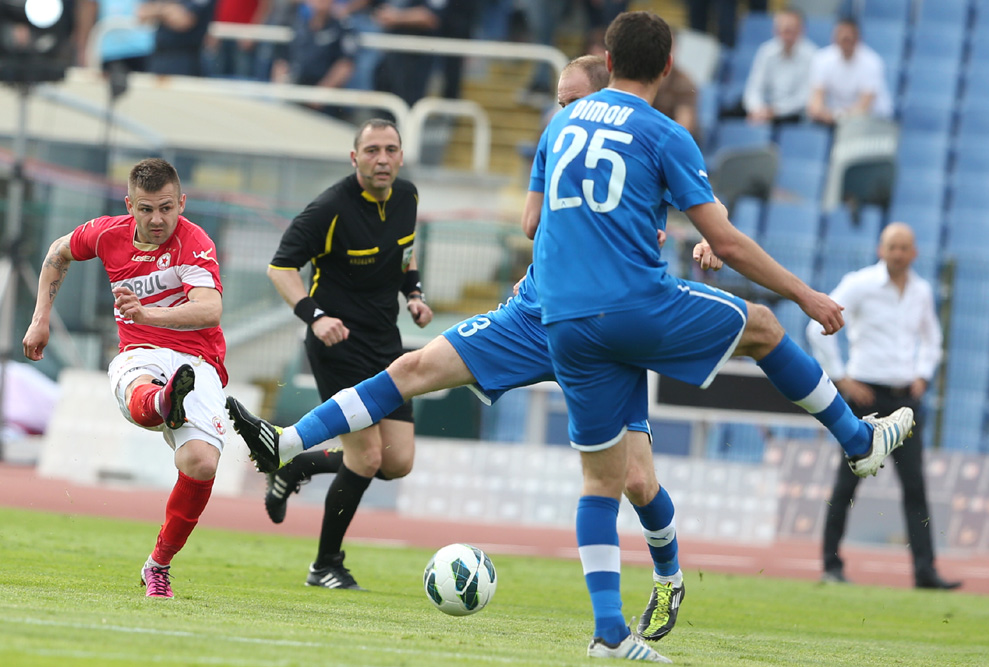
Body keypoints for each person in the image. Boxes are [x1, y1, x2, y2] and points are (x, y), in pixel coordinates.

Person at [227, 55, 724, 643]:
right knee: (408, 378)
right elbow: (534, 225)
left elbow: (697, 210)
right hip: (530, 319)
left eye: (571, 101)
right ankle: (291, 461)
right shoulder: (556, 144)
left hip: (608, 332)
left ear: (604, 98)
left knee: (635, 482)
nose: (561, 112)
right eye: (559, 102)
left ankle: (668, 578)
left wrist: (704, 242)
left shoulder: (644, 142)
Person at [523, 11, 913, 661]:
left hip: (563, 319)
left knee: (603, 481)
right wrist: (806, 295)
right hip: (634, 305)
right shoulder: (664, 131)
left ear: (607, 61)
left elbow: (535, 222)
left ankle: (610, 631)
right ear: (669, 66)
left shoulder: (559, 124)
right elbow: (726, 242)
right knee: (763, 326)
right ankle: (857, 438)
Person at [238, 118, 434, 591]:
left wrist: (414, 293)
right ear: (354, 158)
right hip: (338, 345)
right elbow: (280, 267)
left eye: (390, 149)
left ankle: (300, 464)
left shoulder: (407, 197)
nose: (382, 159)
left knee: (397, 462)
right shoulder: (329, 208)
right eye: (372, 150)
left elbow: (404, 253)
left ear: (401, 156)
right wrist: (315, 316)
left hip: (387, 345)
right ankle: (325, 565)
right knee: (365, 458)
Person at [22, 158, 228, 600]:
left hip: (196, 360)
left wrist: (147, 313)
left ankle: (158, 564)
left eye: (167, 208)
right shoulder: (105, 233)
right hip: (138, 353)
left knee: (202, 464)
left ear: (182, 203)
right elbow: (58, 253)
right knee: (142, 388)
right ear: (129, 205)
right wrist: (41, 319)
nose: (158, 220)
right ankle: (162, 402)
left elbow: (210, 309)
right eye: (147, 209)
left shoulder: (195, 241)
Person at [806, 223, 960, 590]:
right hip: (865, 397)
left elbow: (932, 339)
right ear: (881, 250)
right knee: (846, 484)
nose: (899, 253)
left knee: (915, 487)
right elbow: (817, 328)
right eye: (893, 246)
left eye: (905, 247)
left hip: (906, 399)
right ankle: (831, 565)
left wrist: (923, 375)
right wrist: (841, 378)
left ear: (915, 252)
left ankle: (925, 572)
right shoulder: (859, 284)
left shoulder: (921, 291)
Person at [271, 0, 358, 117]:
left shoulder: (342, 27)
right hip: (296, 88)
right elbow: (282, 60)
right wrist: (280, 90)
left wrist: (322, 92)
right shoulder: (296, 24)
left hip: (325, 97)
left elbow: (345, 63)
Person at [807, 17, 892, 125]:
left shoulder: (872, 62)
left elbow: (864, 106)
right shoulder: (821, 59)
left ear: (857, 39)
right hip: (835, 119)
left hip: (871, 120)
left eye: (848, 39)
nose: (844, 41)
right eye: (841, 36)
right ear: (834, 38)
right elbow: (816, 101)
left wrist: (838, 117)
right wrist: (826, 115)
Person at [742, 6, 817, 125]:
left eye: (791, 30)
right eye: (782, 29)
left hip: (795, 115)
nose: (787, 35)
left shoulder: (812, 55)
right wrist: (757, 109)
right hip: (765, 111)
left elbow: (805, 97)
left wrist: (775, 111)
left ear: (801, 30)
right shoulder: (766, 51)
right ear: (775, 30)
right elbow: (754, 88)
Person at [138, 0, 217, 77]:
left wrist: (158, 10)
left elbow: (182, 20)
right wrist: (167, 11)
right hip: (159, 55)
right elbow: (143, 13)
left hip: (186, 57)